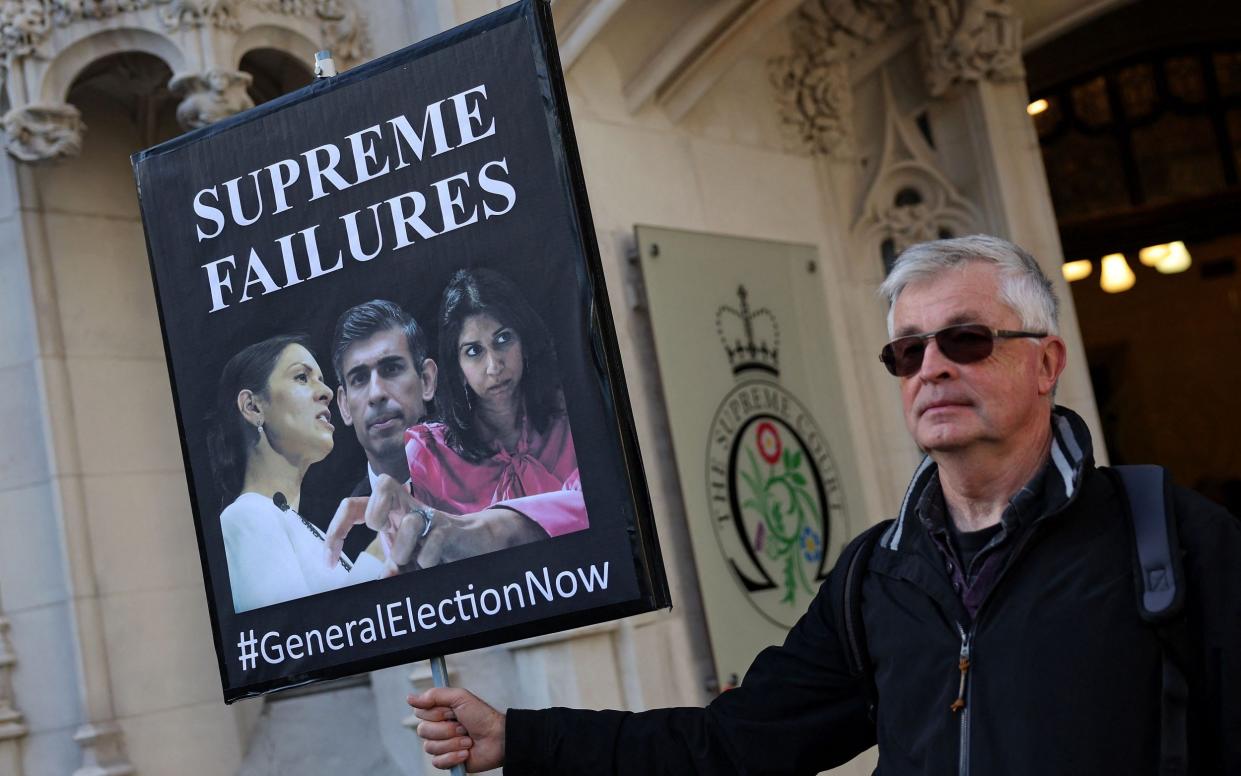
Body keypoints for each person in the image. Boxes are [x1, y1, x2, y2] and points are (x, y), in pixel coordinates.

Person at [408, 235, 1241, 774]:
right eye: (907, 351)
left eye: (965, 339)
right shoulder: (876, 576)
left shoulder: (1166, 539)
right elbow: (729, 747)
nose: (931, 368)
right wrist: (522, 738)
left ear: (1045, 360)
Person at [324, 293, 570, 573]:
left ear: (428, 380)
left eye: (391, 369)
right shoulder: (333, 537)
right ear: (343, 405)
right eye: (359, 378)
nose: (377, 393)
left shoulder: (504, 464)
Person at [206, 334, 383, 613]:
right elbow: (296, 642)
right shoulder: (245, 516)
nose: (326, 391)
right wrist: (381, 554)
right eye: (302, 377)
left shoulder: (308, 529)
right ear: (252, 408)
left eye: (322, 378)